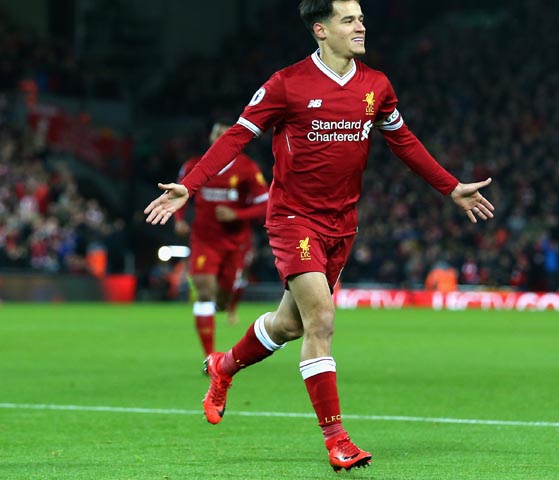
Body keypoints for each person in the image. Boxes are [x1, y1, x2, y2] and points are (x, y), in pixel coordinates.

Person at [144, 0, 495, 472]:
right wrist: (190, 185)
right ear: (320, 30)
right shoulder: (286, 84)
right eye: (349, 19)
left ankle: (224, 366)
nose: (360, 26)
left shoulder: (376, 85)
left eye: (361, 18)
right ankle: (337, 440)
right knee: (322, 320)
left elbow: (404, 141)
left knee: (289, 325)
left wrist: (450, 187)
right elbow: (237, 136)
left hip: (342, 223)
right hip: (294, 219)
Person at [173, 121, 269, 357]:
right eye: (217, 134)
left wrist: (237, 214)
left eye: (226, 135)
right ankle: (210, 357)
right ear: (211, 138)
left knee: (223, 298)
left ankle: (228, 307)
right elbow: (180, 193)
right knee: (205, 291)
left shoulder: (247, 168)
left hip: (236, 242)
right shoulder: (194, 165)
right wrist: (179, 220)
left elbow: (265, 204)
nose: (221, 139)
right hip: (204, 240)